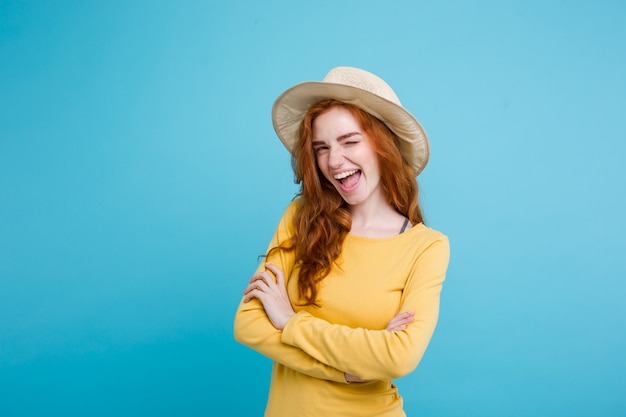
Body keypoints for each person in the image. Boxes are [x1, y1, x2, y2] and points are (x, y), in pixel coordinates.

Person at [233, 66, 450, 417]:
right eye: (321, 148)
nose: (334, 161)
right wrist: (348, 371)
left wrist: (290, 322)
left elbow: (399, 356)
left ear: (384, 146)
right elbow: (248, 325)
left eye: (350, 141)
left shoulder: (427, 247)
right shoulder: (302, 217)